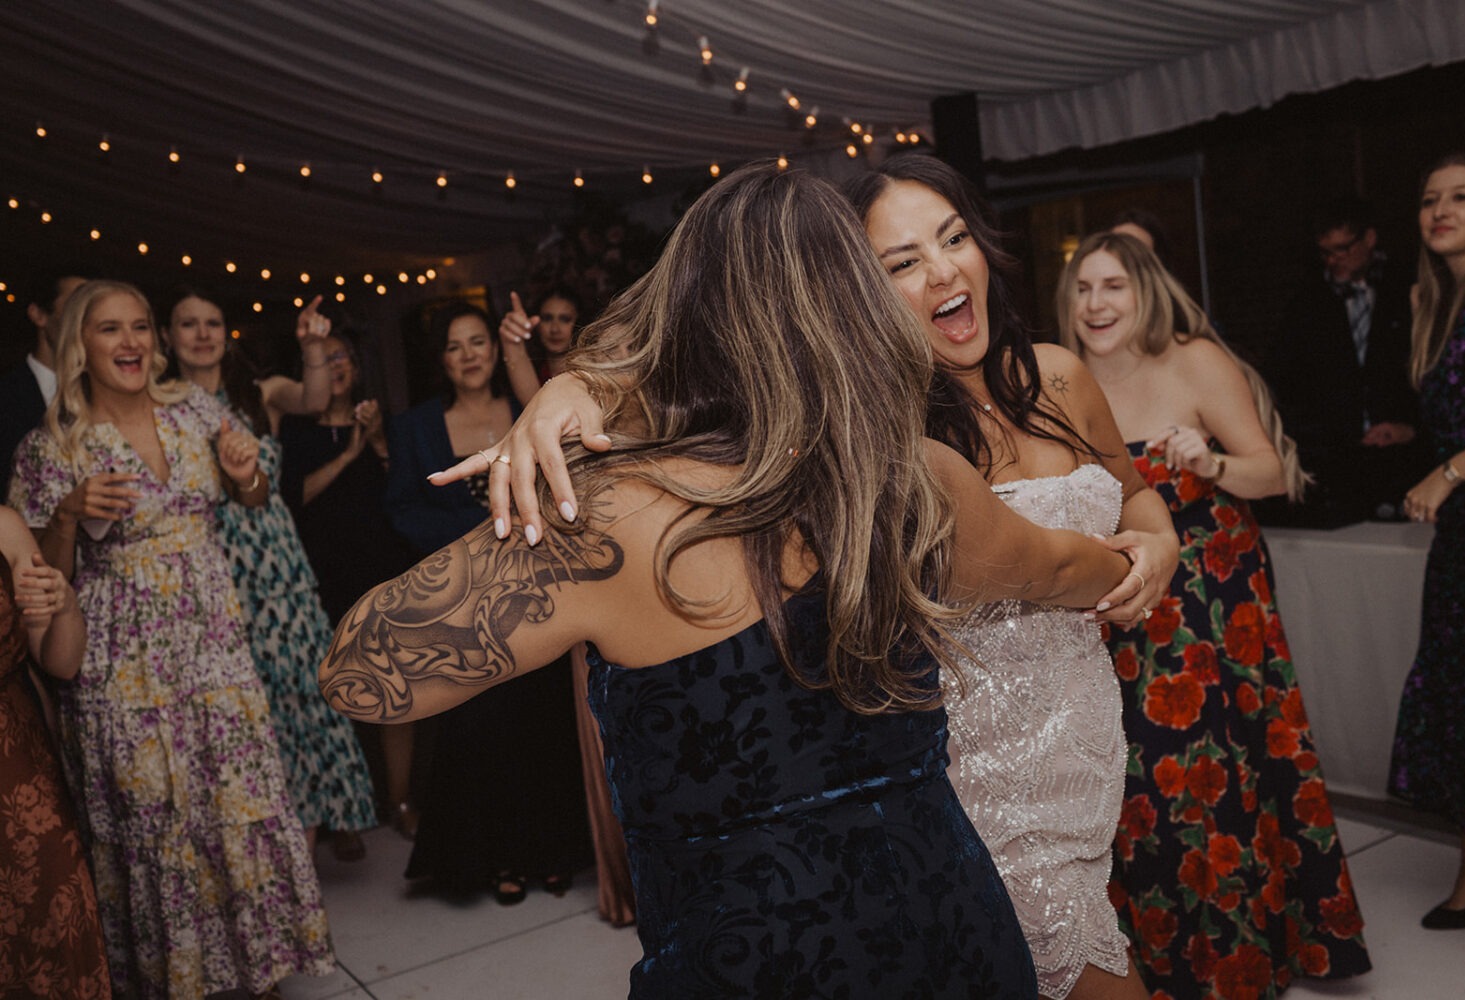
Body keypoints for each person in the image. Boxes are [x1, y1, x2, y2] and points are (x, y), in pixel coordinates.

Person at [325, 162, 1139, 998]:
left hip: (753, 964)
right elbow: (1071, 570)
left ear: (679, 320)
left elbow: (360, 677)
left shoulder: (609, 523)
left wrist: (537, 486)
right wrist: (1146, 551)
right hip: (953, 936)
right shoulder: (917, 478)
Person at [844, 156, 1177, 1000]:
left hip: (1086, 768)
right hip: (982, 790)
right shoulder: (882, 436)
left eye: (954, 238)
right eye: (904, 262)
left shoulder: (1058, 374)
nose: (946, 269)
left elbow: (1135, 496)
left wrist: (1161, 548)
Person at [1058, 233, 1371, 997]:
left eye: (1114, 288)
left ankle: (1249, 951)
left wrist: (1208, 463)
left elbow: (1269, 471)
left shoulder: (1193, 359)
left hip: (1215, 598)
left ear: (1146, 294)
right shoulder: (1061, 383)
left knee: (1231, 770)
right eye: (1082, 289)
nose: (1097, 305)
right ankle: (1164, 958)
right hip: (1122, 607)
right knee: (1145, 786)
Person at [8, 280, 331, 998]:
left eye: (140, 327)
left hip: (215, 640)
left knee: (236, 803)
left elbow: (248, 497)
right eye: (109, 330)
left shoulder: (196, 409)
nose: (130, 342)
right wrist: (64, 517)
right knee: (156, 816)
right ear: (78, 346)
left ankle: (257, 968)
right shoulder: (51, 444)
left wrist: (247, 477)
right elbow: (40, 583)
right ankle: (178, 980)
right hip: (122, 662)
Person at [385, 302, 592, 902]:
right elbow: (403, 507)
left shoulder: (528, 408)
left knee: (542, 726)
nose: (469, 354)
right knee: (482, 732)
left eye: (478, 341)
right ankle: (497, 857)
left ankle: (552, 851)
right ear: (440, 361)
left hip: (538, 593)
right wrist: (479, 541)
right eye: (455, 346)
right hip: (465, 603)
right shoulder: (417, 427)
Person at [161, 287, 376, 862]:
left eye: (213, 322)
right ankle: (267, 845)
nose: (203, 334)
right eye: (189, 324)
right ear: (168, 336)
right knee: (255, 709)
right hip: (217, 568)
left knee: (307, 696)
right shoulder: (160, 407)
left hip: (278, 564)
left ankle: (306, 842)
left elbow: (316, 395)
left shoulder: (259, 395)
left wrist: (311, 346)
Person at [498, 286, 636, 926]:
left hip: (652, 582)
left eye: (563, 317)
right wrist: (511, 348)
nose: (554, 327)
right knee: (608, 733)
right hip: (592, 580)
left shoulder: (645, 402)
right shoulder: (556, 402)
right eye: (545, 320)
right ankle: (626, 882)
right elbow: (534, 395)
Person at [1388, 151, 1465, 930]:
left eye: (1462, 196)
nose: (1441, 209)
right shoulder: (1441, 301)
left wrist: (1445, 475)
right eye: (1430, 199)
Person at [279, 331, 420, 840]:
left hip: (378, 571)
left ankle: (400, 800)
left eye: (343, 356)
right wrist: (347, 454)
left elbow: (402, 493)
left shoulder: (382, 423)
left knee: (393, 688)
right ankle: (342, 818)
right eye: (325, 356)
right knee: (333, 694)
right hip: (320, 577)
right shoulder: (294, 433)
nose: (336, 364)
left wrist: (376, 441)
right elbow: (290, 501)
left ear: (357, 367)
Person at [1260, 197, 1423, 525]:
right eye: (1326, 252)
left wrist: (1412, 426)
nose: (1334, 260)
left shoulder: (1408, 287)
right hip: (1337, 460)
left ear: (1369, 239)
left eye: (1343, 249)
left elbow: (1430, 371)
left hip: (1408, 455)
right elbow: (1282, 381)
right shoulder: (1307, 301)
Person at [0, 509, 108, 997]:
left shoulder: (5, 529)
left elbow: (61, 662)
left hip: (17, 778)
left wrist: (65, 606)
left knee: (47, 929)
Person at [0, 266, 93, 499]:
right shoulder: (6, 397)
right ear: (39, 314)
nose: (86, 316)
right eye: (76, 304)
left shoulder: (104, 393)